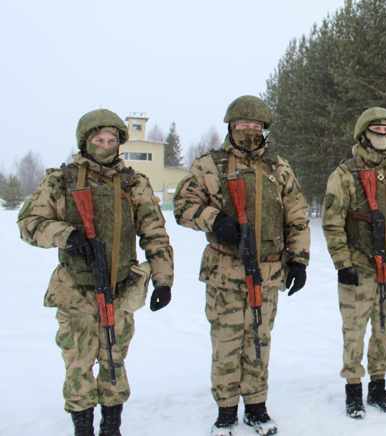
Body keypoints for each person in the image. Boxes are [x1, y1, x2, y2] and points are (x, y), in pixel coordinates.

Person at [17, 109, 174, 436]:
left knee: (114, 364)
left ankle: (111, 427)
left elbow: (155, 233)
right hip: (75, 294)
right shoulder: (61, 180)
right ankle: (83, 429)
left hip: (120, 292)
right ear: (85, 142)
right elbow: (29, 224)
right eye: (98, 139)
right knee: (78, 366)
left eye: (111, 140)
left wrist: (162, 280)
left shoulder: (134, 183)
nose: (105, 145)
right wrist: (67, 236)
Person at [173, 95, 310, 436]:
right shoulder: (210, 165)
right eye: (242, 126)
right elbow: (182, 205)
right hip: (225, 273)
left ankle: (257, 408)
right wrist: (213, 219)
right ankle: (225, 412)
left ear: (264, 130)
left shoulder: (279, 168)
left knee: (259, 342)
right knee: (226, 344)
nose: (250, 132)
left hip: (268, 272)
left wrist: (299, 260)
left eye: (256, 126)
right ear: (231, 128)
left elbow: (297, 216)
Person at [322, 107, 386, 419]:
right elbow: (332, 223)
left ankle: (378, 386)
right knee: (354, 330)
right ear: (364, 133)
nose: (382, 136)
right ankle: (353, 389)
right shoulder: (345, 175)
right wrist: (343, 264)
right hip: (360, 265)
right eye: (376, 130)